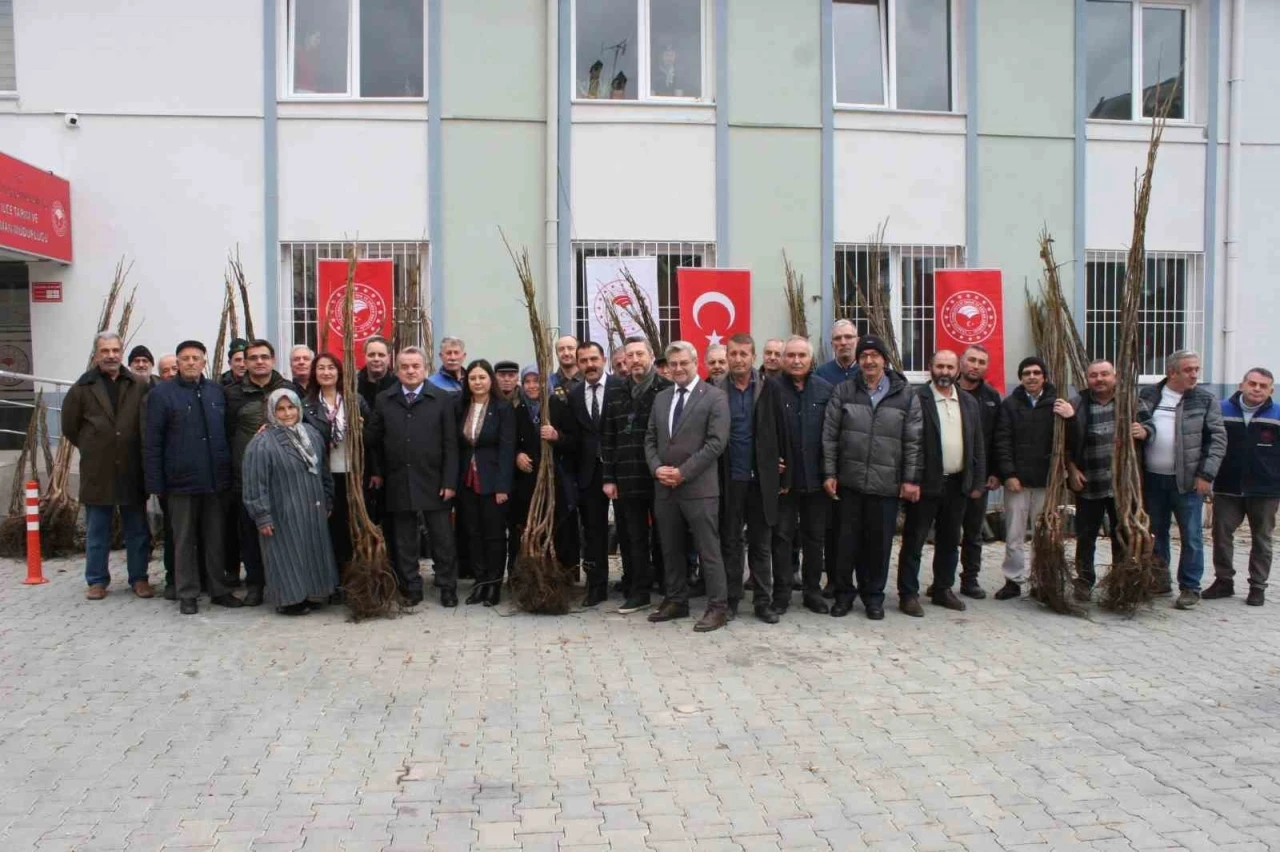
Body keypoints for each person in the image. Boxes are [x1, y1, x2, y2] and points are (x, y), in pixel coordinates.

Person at [822, 335, 922, 620]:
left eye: (874, 356)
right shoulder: (844, 391)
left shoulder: (905, 395)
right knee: (845, 544)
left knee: (878, 546)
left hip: (886, 484)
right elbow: (829, 436)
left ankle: (873, 597)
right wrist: (829, 472)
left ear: (884, 360)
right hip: (849, 482)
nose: (868, 361)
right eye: (864, 356)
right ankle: (843, 595)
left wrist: (910, 479)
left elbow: (913, 440)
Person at [143, 340, 243, 615]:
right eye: (185, 358)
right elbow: (152, 441)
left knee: (215, 537)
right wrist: (155, 484)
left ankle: (218, 589)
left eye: (195, 358)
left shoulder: (215, 392)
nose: (190, 362)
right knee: (184, 539)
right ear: (177, 362)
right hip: (180, 482)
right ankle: (187, 592)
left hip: (214, 481)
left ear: (204, 361)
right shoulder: (162, 395)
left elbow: (226, 432)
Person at [645, 341, 731, 632]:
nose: (679, 368)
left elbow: (716, 443)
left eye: (684, 363)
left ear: (696, 363)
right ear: (667, 367)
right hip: (665, 487)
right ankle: (676, 600)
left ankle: (718, 607)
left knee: (708, 550)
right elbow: (650, 438)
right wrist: (657, 468)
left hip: (699, 488)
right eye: (673, 364)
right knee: (670, 548)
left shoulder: (715, 397)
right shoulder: (661, 398)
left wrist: (683, 472)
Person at [366, 346, 460, 607]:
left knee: (441, 539)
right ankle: (411, 587)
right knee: (405, 539)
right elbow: (373, 439)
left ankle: (447, 586)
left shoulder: (441, 398)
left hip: (434, 479)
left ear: (425, 369)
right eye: (405, 366)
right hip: (399, 478)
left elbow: (451, 444)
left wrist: (450, 481)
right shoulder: (385, 399)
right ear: (397, 370)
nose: (410, 371)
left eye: (415, 366)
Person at [63, 331, 153, 600]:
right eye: (105, 351)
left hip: (131, 467)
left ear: (121, 352)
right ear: (96, 354)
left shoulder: (138, 384)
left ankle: (139, 579)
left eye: (115, 350)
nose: (111, 356)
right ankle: (97, 581)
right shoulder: (82, 387)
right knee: (97, 530)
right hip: (98, 470)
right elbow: (70, 427)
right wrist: (94, 446)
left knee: (137, 530)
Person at [1135, 349, 1227, 610]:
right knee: (1157, 533)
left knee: (1192, 536)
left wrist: (1206, 475)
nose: (1195, 374)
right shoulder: (1149, 395)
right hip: (1153, 480)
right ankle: (1160, 580)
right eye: (1189, 369)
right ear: (1172, 371)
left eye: (1197, 369)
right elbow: (1142, 424)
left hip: (1187, 482)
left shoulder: (1205, 400)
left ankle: (1190, 587)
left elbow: (1217, 440)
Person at [896, 350, 985, 616]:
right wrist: (909, 480)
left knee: (949, 539)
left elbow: (977, 444)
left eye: (950, 367)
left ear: (957, 370)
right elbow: (907, 442)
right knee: (914, 540)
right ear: (930, 368)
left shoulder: (968, 402)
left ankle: (943, 588)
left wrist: (977, 480)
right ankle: (908, 594)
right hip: (925, 483)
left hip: (958, 483)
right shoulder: (916, 398)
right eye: (940, 366)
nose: (944, 371)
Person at [710, 333, 790, 623]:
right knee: (730, 542)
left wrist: (783, 473)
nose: (738, 359)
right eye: (733, 354)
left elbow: (783, 433)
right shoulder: (716, 391)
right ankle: (731, 601)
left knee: (761, 543)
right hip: (730, 478)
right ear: (727, 356)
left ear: (753, 357)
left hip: (761, 480)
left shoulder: (770, 389)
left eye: (744, 354)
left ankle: (762, 602)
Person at [242, 389, 339, 615]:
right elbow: (255, 483)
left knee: (312, 551)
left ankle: (315, 592)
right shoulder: (262, 443)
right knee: (286, 555)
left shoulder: (311, 434)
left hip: (312, 506)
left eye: (291, 407)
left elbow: (323, 471)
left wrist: (328, 498)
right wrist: (262, 515)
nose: (287, 414)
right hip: (282, 511)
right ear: (271, 412)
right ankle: (290, 600)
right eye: (280, 409)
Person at [992, 356, 1075, 601]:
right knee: (1014, 533)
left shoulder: (1057, 404)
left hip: (1046, 481)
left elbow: (1071, 441)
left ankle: (1042, 580)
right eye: (1026, 373)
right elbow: (1002, 441)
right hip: (1017, 482)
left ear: (1044, 377)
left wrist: (1071, 418)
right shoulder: (1010, 405)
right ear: (1021, 377)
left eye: (1036, 373)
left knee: (1044, 533)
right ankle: (1013, 580)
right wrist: (1009, 474)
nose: (1031, 377)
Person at [604, 336, 674, 614]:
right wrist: (608, 478)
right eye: (629, 356)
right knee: (633, 538)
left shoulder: (666, 390)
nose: (634, 360)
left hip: (659, 478)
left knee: (665, 536)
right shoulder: (617, 392)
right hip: (626, 478)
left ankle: (671, 589)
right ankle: (638, 591)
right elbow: (608, 437)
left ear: (650, 357)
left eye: (639, 355)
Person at [224, 339, 296, 606]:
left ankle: (284, 581)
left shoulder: (288, 389)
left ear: (273, 360)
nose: (259, 362)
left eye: (264, 357)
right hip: (248, 477)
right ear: (246, 362)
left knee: (283, 532)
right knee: (250, 533)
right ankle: (255, 583)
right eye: (253, 358)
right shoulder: (232, 394)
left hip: (284, 476)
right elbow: (228, 433)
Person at [1206, 368, 1280, 607]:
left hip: (1265, 489)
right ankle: (1223, 581)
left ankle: (1257, 587)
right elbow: (1209, 443)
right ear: (1241, 384)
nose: (1257, 389)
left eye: (1263, 386)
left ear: (1271, 390)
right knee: (1221, 536)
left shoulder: (1277, 414)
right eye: (1253, 383)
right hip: (1227, 486)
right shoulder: (1220, 409)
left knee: (1262, 539)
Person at [557, 342, 623, 606]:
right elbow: (573, 437)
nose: (590, 365)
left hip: (620, 469)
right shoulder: (573, 395)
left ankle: (635, 582)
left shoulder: (620, 387)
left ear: (603, 359)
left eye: (593, 359)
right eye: (583, 361)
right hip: (588, 473)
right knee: (594, 532)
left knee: (629, 529)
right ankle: (597, 586)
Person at [772, 335, 833, 616]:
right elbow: (762, 432)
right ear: (783, 359)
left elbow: (834, 435)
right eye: (791, 356)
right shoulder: (770, 389)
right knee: (783, 538)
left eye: (802, 356)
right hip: (784, 482)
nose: (796, 361)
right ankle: (782, 593)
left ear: (811, 360)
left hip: (816, 479)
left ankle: (812, 592)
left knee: (815, 538)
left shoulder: (825, 390)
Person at [303, 353, 370, 591]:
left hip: (353, 473)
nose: (326, 372)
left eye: (331, 367)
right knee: (332, 528)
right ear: (314, 373)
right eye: (320, 368)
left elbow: (371, 435)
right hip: (324, 475)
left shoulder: (354, 400)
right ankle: (333, 581)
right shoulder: (307, 404)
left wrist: (360, 430)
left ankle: (356, 577)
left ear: (339, 371)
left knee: (355, 526)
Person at [456, 360, 515, 605]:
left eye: (482, 377)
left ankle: (493, 586)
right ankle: (479, 583)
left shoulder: (502, 408)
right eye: (473, 378)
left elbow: (507, 449)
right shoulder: (461, 407)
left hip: (492, 483)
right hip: (467, 482)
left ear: (490, 380)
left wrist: (503, 486)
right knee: (473, 533)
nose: (477, 382)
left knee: (494, 535)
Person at [1065, 359, 1120, 602]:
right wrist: (1071, 469)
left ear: (1114, 377)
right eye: (1094, 375)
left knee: (1122, 535)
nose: (1099, 379)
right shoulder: (1077, 403)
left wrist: (1145, 430)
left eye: (1104, 374)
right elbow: (1064, 442)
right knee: (1086, 535)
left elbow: (1148, 426)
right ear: (1087, 379)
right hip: (1089, 483)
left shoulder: (1128, 402)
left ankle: (1120, 580)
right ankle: (1085, 580)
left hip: (1121, 485)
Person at [956, 344, 1002, 598]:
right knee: (946, 531)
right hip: (948, 474)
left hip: (978, 475)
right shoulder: (945, 389)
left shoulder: (992, 398)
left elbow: (997, 437)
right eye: (971, 360)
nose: (975, 365)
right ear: (961, 362)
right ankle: (941, 580)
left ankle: (970, 579)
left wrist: (996, 472)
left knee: (973, 532)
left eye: (981, 362)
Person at [815, 319, 859, 387]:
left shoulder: (866, 371)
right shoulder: (821, 374)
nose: (843, 342)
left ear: (857, 341)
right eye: (838, 338)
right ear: (832, 344)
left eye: (848, 337)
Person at [357, 336, 397, 409]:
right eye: (371, 355)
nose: (376, 359)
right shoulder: (353, 385)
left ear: (388, 358)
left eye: (381, 355)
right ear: (364, 357)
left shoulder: (398, 385)